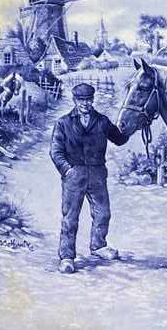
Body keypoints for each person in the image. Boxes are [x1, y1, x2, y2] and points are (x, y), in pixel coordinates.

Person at [49, 82, 131, 274]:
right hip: (74, 174)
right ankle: (67, 257)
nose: (85, 104)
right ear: (75, 100)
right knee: (70, 217)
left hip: (97, 173)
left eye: (88, 99)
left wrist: (129, 127)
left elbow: (119, 139)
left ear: (93, 100)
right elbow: (55, 151)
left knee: (103, 213)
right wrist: (67, 169)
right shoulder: (63, 123)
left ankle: (99, 246)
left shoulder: (102, 121)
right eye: (81, 100)